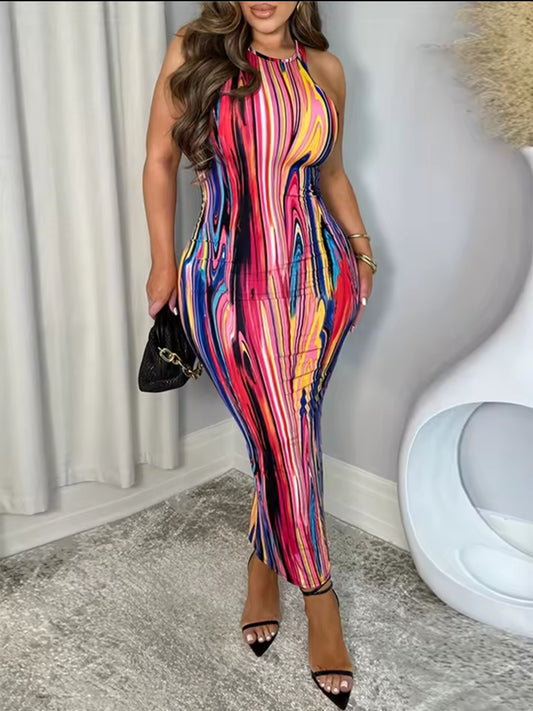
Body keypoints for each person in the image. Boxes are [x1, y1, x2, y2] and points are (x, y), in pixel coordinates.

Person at [142, 2, 375, 707]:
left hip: (317, 281)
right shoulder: (195, 50)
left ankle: (264, 564)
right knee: (280, 436)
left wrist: (363, 250)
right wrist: (162, 264)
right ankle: (318, 591)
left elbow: (331, 173)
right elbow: (160, 159)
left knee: (288, 434)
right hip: (223, 281)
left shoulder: (324, 70)